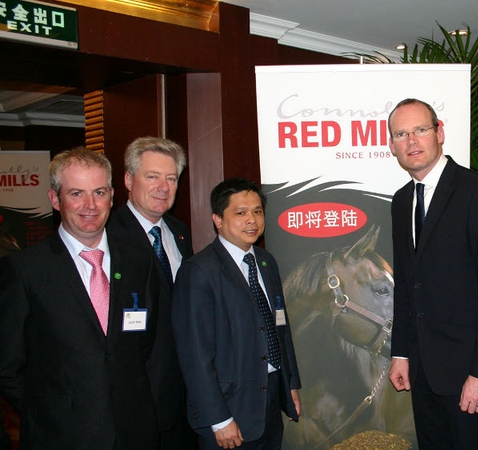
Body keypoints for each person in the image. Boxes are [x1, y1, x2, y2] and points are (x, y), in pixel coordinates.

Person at [0, 147, 162, 449]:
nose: (90, 205)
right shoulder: (25, 270)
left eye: (99, 192)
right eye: (76, 193)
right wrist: (49, 413)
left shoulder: (140, 261)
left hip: (134, 432)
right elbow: (7, 365)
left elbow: (145, 346)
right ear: (54, 199)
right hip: (60, 436)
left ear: (112, 197)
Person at [387, 98, 478, 449]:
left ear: (439, 132)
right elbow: (407, 286)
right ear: (391, 144)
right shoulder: (400, 201)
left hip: (469, 371)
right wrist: (402, 353)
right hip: (423, 370)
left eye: (420, 130)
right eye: (401, 134)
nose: (411, 141)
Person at [172, 178, 301, 450]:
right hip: (229, 410)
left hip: (269, 401)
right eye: (240, 213)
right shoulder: (199, 271)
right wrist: (219, 419)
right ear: (218, 219)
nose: (252, 220)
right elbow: (195, 355)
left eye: (257, 211)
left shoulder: (266, 262)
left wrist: (289, 385)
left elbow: (280, 328)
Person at [106, 137, 196, 449]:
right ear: (129, 180)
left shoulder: (179, 232)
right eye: (152, 176)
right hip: (136, 406)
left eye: (171, 178)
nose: (163, 187)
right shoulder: (107, 238)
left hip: (184, 400)